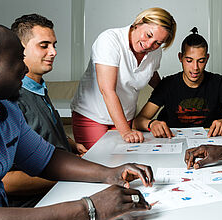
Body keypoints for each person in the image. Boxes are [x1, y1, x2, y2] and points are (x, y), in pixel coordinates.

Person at [0, 21, 155, 220]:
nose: (24, 68)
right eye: (17, 60)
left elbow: (47, 159)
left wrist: (111, 173)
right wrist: (89, 208)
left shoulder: (8, 109)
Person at [2, 14, 87, 207]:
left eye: (54, 45)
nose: (54, 52)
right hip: (33, 205)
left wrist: (71, 144)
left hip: (63, 190)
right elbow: (6, 182)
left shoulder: (38, 87)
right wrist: (70, 175)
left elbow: (43, 129)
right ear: (19, 49)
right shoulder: (10, 99)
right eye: (44, 45)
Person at [71, 7, 176, 149]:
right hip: (93, 116)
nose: (149, 44)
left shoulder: (155, 52)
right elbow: (107, 90)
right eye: (148, 35)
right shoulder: (109, 40)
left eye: (158, 42)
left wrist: (172, 95)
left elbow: (150, 74)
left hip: (126, 116)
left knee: (126, 166)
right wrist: (126, 132)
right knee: (100, 166)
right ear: (138, 23)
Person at [133, 27, 222, 138]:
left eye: (201, 61)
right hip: (173, 142)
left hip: (209, 143)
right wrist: (151, 124)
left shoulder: (218, 82)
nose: (195, 67)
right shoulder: (167, 84)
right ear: (180, 57)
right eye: (189, 60)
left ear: (207, 59)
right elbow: (137, 121)